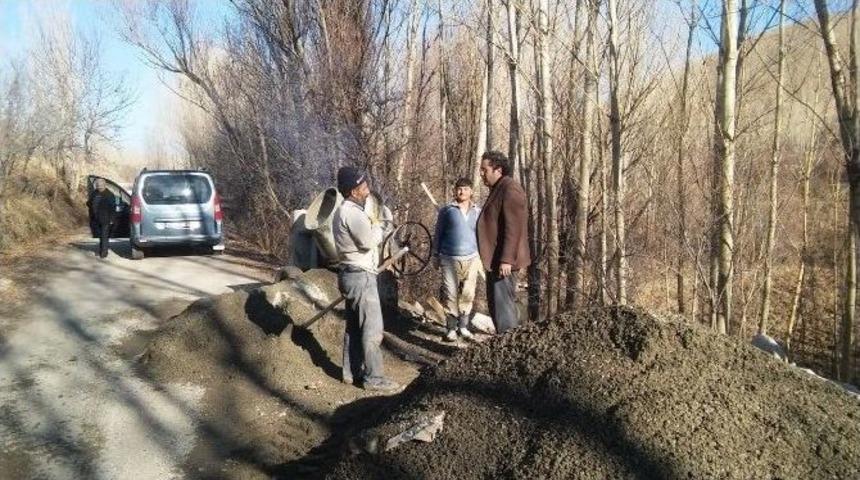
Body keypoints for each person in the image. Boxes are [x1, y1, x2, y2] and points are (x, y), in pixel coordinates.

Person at [332, 166, 400, 392]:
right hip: (360, 277)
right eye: (363, 186)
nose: (367, 188)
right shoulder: (351, 213)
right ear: (353, 191)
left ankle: (350, 372)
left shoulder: (346, 211)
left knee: (354, 326)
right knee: (372, 329)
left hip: (351, 274)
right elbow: (368, 241)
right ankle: (374, 378)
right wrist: (383, 226)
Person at [476, 151, 531, 333]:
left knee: (503, 309)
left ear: (498, 170)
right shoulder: (499, 188)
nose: (481, 174)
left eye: (485, 170)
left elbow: (513, 228)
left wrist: (507, 259)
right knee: (496, 306)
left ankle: (508, 347)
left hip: (504, 262)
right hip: (496, 259)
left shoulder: (510, 189)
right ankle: (503, 345)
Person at [433, 177, 481, 342]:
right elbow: (438, 234)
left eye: (466, 189)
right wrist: (435, 255)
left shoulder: (477, 211)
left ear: (471, 191)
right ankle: (451, 329)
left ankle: (463, 327)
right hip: (449, 258)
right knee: (450, 293)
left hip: (472, 258)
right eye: (459, 189)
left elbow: (481, 236)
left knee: (468, 293)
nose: (462, 192)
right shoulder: (446, 211)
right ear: (455, 191)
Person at [87, 178, 116, 259]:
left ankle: (104, 253)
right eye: (97, 186)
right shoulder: (94, 193)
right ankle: (101, 250)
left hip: (105, 219)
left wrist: (112, 219)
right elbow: (89, 203)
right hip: (96, 218)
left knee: (104, 236)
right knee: (100, 236)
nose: (99, 187)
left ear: (104, 185)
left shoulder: (110, 195)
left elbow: (113, 208)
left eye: (100, 186)